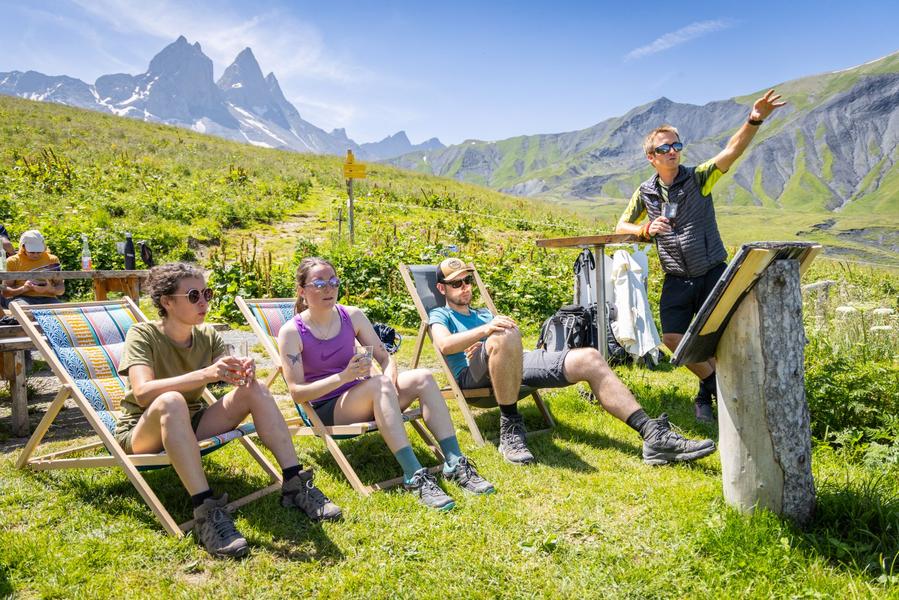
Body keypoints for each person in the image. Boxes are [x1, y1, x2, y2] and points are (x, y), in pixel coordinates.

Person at [115, 263, 341, 559]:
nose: (204, 302)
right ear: (167, 301)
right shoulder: (143, 334)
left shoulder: (207, 335)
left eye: (206, 293)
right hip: (143, 431)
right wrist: (208, 374)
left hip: (192, 422)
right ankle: (205, 511)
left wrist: (241, 372)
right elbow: (143, 392)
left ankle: (295, 483)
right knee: (171, 400)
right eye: (194, 296)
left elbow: (229, 370)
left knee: (255, 389)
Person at [428, 257, 716, 466]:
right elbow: (443, 343)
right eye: (456, 284)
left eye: (468, 281)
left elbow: (501, 341)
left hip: (512, 363)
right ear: (442, 289)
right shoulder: (441, 316)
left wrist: (494, 339)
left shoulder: (481, 312)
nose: (464, 288)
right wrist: (487, 334)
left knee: (589, 358)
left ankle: (652, 434)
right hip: (472, 377)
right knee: (503, 333)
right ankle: (511, 428)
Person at [615, 90, 786, 423]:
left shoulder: (698, 178)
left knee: (719, 341)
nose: (672, 152)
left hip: (711, 272)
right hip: (676, 276)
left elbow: (732, 150)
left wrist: (755, 118)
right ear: (652, 156)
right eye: (664, 148)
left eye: (677, 146)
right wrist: (645, 230)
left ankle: (712, 400)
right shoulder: (646, 191)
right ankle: (712, 385)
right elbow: (622, 223)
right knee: (671, 339)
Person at [277, 257, 495, 512]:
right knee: (379, 385)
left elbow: (384, 356)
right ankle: (415, 476)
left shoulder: (352, 315)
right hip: (328, 406)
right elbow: (296, 392)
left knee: (422, 376)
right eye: (320, 283)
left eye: (334, 282)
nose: (329, 289)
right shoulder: (292, 332)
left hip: (367, 392)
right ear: (302, 291)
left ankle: (455, 462)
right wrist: (345, 377)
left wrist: (389, 377)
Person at [2, 230, 64, 305]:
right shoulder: (12, 261)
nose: (35, 255)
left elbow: (61, 289)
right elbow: (5, 293)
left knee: (64, 313)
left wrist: (50, 289)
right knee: (25, 312)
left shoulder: (52, 259)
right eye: (31, 252)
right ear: (23, 247)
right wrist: (23, 289)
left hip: (49, 298)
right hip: (22, 298)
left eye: (39, 252)